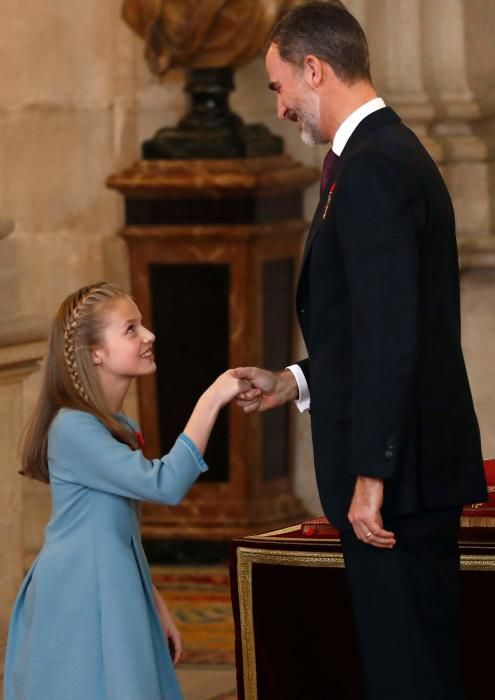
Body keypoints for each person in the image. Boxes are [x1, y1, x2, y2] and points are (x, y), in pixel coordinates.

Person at [233, 2, 487, 699]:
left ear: (313, 69)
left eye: (278, 85)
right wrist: (293, 382)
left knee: (408, 677)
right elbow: (373, 329)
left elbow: (391, 335)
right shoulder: (376, 156)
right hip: (401, 474)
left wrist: (370, 476)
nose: (280, 107)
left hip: (394, 485)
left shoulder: (374, 165)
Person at [3, 282, 248, 700]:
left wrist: (152, 600)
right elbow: (165, 485)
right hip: (79, 591)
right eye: (131, 329)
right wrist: (212, 398)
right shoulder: (74, 427)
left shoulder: (113, 425)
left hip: (113, 582)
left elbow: (120, 532)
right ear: (95, 352)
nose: (149, 335)